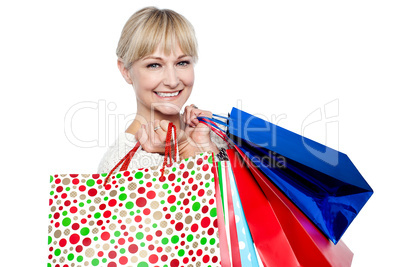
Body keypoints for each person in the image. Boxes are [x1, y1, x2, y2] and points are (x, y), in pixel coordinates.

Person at [98, 6, 228, 174]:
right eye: (154, 65)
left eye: (182, 63)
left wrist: (205, 146)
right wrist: (184, 150)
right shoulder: (119, 164)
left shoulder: (213, 134)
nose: (172, 81)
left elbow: (245, 196)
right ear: (125, 71)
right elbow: (211, 198)